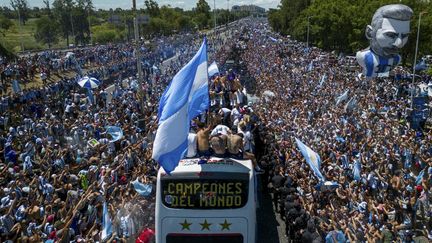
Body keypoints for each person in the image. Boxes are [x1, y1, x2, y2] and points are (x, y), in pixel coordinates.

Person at [356, 4, 413, 77]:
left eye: (404, 36)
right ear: (370, 33)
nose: (399, 43)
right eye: (391, 35)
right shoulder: (362, 56)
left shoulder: (397, 59)